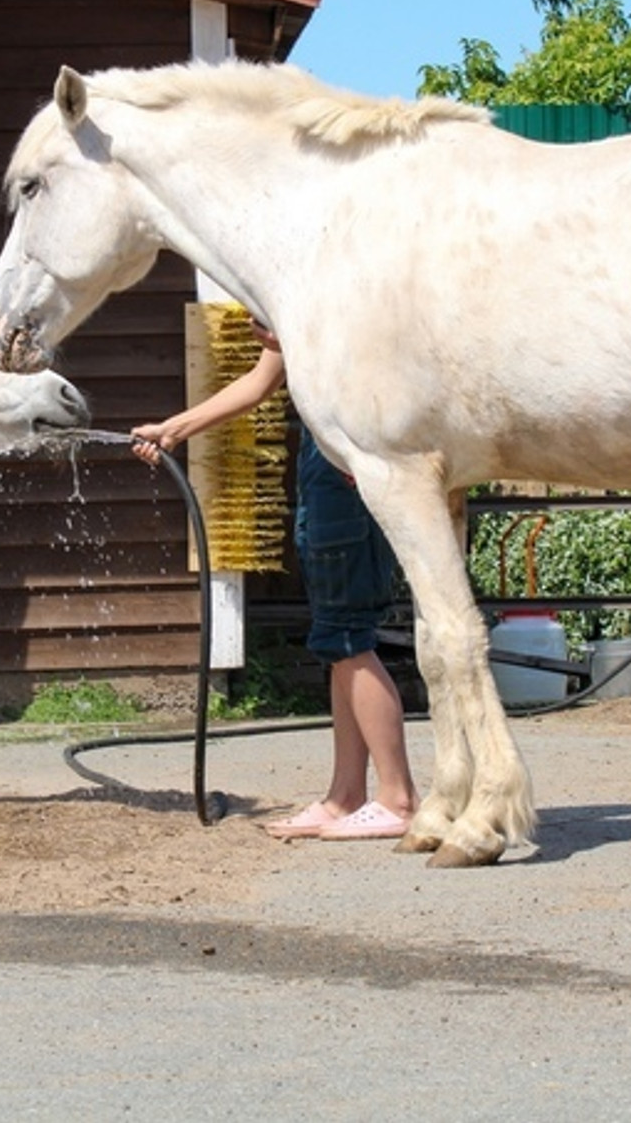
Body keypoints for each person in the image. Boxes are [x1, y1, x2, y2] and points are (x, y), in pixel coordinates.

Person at [130, 317, 417, 842]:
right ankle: (344, 797)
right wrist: (172, 429)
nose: (261, 327)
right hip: (323, 481)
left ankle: (397, 798)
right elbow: (259, 384)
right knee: (337, 641)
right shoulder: (302, 309)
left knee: (351, 637)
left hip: (348, 483)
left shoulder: (346, 311)